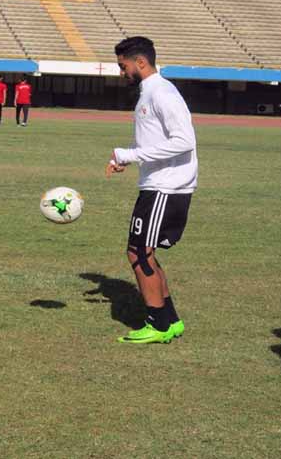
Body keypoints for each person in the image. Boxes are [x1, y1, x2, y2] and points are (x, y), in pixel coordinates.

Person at [106, 36, 198, 344]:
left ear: (141, 62)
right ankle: (170, 321)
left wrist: (130, 155)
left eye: (123, 66)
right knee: (142, 251)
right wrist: (126, 158)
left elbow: (184, 140)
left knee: (138, 253)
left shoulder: (162, 92)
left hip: (166, 187)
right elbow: (152, 140)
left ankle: (158, 324)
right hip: (158, 185)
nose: (122, 72)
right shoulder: (149, 92)